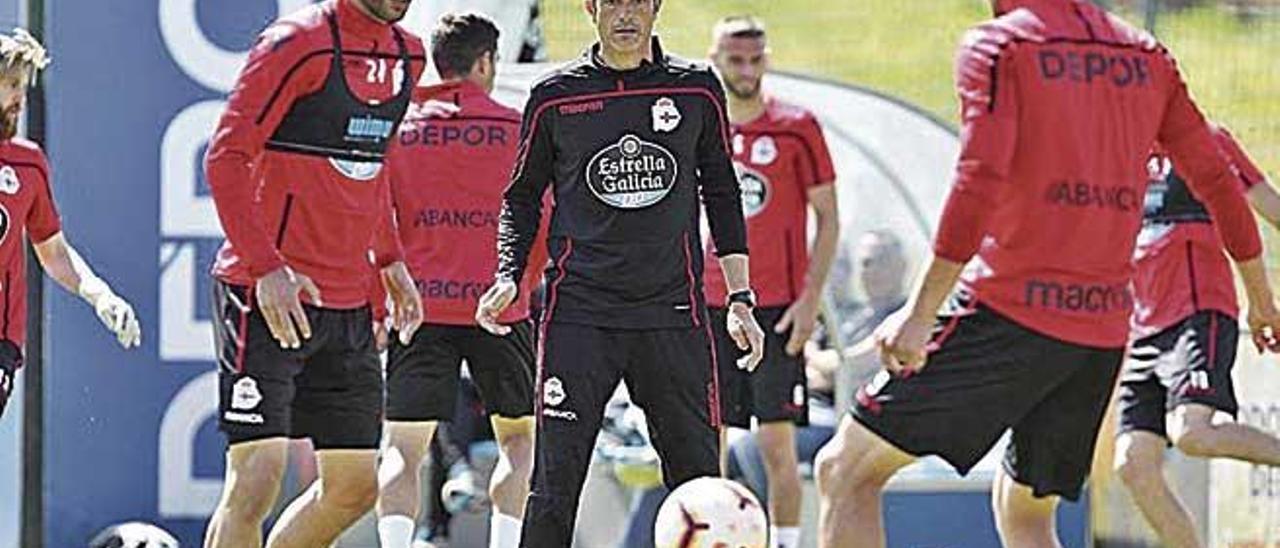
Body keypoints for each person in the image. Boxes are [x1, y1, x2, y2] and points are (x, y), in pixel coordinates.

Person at [813, 1, 1280, 547]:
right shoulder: (1146, 53)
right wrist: (1262, 299)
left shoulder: (1001, 45)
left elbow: (977, 183)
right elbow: (1220, 187)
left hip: (1007, 311)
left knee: (845, 471)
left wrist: (919, 317)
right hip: (1100, 336)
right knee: (1024, 512)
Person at [473, 0, 766, 545]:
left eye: (637, 1)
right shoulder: (557, 95)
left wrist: (740, 298)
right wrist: (509, 273)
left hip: (672, 315)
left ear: (655, 8)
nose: (625, 13)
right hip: (579, 315)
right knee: (555, 484)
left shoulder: (696, 87)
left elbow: (723, 194)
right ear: (591, 8)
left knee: (699, 484)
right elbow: (521, 197)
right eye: (612, 1)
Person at [201, 1, 427, 547]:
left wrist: (390, 259)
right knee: (256, 480)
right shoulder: (296, 41)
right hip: (269, 298)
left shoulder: (408, 53)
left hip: (348, 301)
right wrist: (268, 267)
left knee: (354, 489)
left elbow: (369, 165)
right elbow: (224, 156)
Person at [375, 12, 539, 548]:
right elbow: (547, 223)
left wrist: (384, 302)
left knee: (402, 447)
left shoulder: (401, 130)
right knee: (518, 442)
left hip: (420, 305)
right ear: (486, 62)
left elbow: (376, 221)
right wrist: (518, 286)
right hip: (499, 306)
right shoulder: (519, 130)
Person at [702, 16, 839, 548]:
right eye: (735, 60)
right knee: (705, 441)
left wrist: (811, 301)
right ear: (715, 59)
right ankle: (708, 538)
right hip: (708, 303)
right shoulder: (697, 125)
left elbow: (828, 217)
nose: (746, 70)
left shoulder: (796, 126)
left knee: (776, 446)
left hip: (775, 307)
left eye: (756, 59)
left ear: (768, 60)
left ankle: (785, 543)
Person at [1114, 126, 1280, 548]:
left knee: (1192, 433)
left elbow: (1268, 206)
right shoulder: (1113, 151)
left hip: (1197, 312)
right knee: (1132, 463)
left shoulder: (1204, 139)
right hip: (1143, 329)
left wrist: (1264, 303)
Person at [0, 28, 141, 420]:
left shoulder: (28, 164)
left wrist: (101, 296)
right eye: (11, 85)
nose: (20, 99)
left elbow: (54, 252)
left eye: (23, 86)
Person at [728, 230, 907, 505]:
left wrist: (819, 361)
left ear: (899, 266)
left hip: (847, 417)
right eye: (863, 263)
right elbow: (808, 359)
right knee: (722, 451)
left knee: (754, 446)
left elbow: (851, 365)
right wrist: (819, 363)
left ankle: (775, 528)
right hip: (811, 408)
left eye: (875, 261)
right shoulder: (851, 313)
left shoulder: (901, 318)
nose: (866, 271)